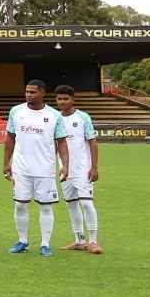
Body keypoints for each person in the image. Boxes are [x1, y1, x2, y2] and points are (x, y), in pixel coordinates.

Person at [4, 80, 69, 256]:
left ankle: (45, 244)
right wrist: (6, 163)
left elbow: (61, 142)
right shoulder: (16, 111)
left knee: (46, 207)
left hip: (45, 169)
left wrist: (65, 165)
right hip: (21, 169)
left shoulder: (55, 115)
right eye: (27, 91)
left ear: (42, 93)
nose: (28, 95)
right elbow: (10, 138)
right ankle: (22, 241)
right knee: (20, 205)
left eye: (32, 92)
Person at [54, 86, 101, 253]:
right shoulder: (54, 118)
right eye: (59, 99)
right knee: (72, 205)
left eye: (65, 99)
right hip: (64, 170)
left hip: (83, 169)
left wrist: (94, 167)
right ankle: (79, 240)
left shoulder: (83, 117)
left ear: (73, 99)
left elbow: (92, 142)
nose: (62, 102)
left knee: (87, 204)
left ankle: (93, 241)